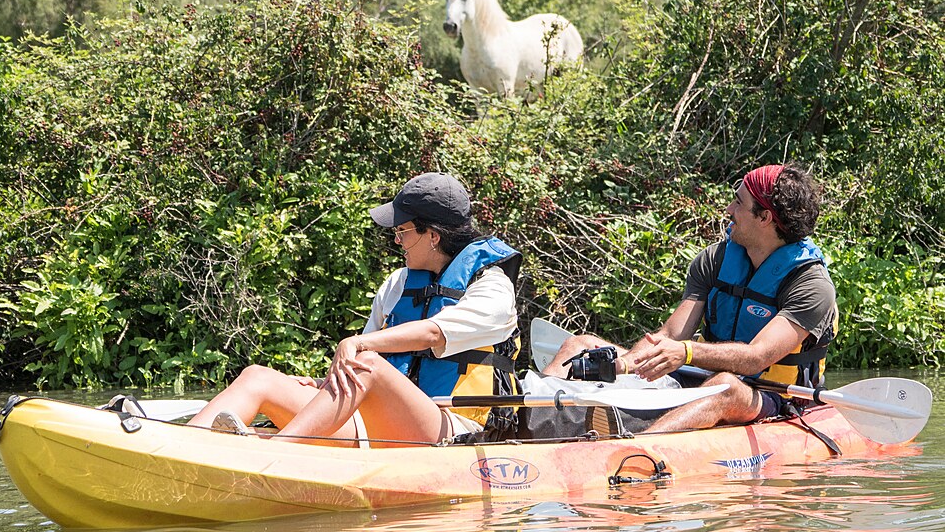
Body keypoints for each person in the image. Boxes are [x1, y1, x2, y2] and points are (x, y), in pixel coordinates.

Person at [188, 172, 522, 447]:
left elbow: (433, 333)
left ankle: (277, 451)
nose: (396, 240)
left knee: (368, 363)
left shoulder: (492, 288)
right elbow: (366, 373)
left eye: (402, 231)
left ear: (432, 235)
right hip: (379, 422)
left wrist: (359, 344)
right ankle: (182, 445)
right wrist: (325, 386)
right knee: (258, 378)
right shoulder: (397, 284)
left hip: (453, 429)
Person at [542, 163, 836, 432]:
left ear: (764, 218)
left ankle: (634, 449)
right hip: (701, 375)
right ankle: (526, 420)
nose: (728, 208)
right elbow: (671, 333)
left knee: (725, 386)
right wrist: (627, 365)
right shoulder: (715, 260)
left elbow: (756, 357)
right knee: (578, 344)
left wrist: (686, 353)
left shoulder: (811, 285)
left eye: (739, 202)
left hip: (772, 395)